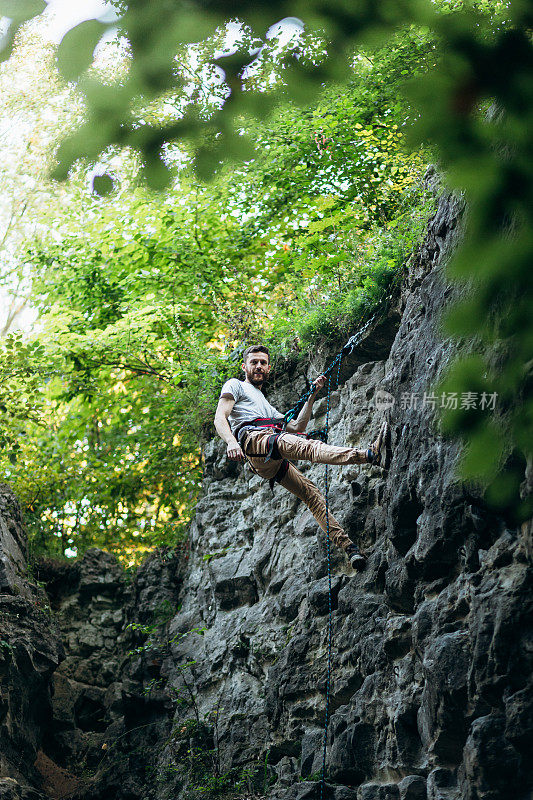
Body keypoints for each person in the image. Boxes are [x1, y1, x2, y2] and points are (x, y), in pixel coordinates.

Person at [214, 345, 390, 571]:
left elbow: (297, 426)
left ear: (268, 367)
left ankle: (350, 549)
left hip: (268, 457)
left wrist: (312, 395)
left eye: (263, 363)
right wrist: (231, 442)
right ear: (244, 366)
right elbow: (220, 417)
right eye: (254, 362)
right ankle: (370, 455)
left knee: (311, 493)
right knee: (308, 447)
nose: (259, 366)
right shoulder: (235, 385)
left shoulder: (264, 403)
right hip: (256, 441)